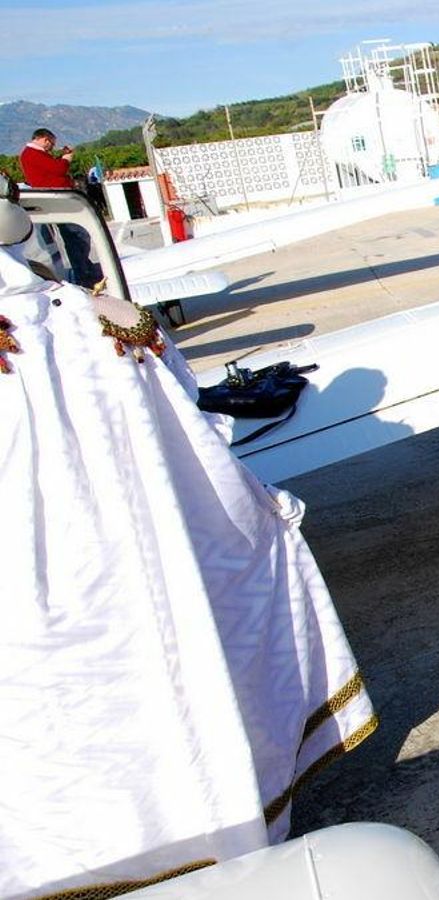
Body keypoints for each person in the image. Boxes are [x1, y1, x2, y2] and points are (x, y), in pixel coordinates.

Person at [0, 186, 375, 896]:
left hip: (36, 598)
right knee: (181, 692)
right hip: (150, 563)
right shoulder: (112, 320)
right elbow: (199, 439)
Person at [18, 128, 102, 287]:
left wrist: (60, 158)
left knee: (76, 237)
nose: (52, 147)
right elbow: (58, 170)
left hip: (56, 199)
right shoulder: (32, 154)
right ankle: (83, 274)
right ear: (45, 139)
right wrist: (66, 159)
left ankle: (85, 269)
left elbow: (49, 169)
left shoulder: (32, 154)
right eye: (51, 143)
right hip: (60, 201)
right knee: (76, 236)